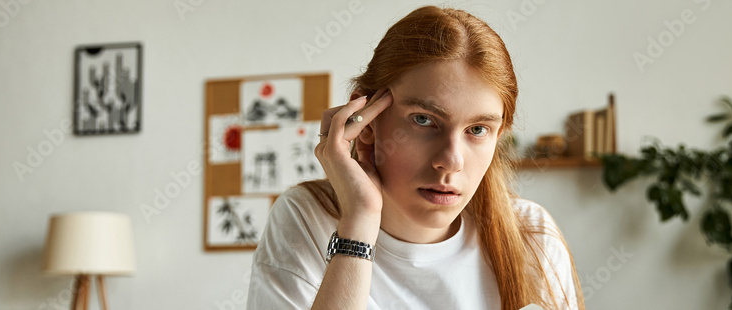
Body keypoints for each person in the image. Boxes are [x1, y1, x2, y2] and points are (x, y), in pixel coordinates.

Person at [246, 6, 584, 309]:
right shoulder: (306, 218)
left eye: (478, 129)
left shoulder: (531, 233)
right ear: (366, 122)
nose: (451, 161)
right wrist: (359, 221)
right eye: (423, 120)